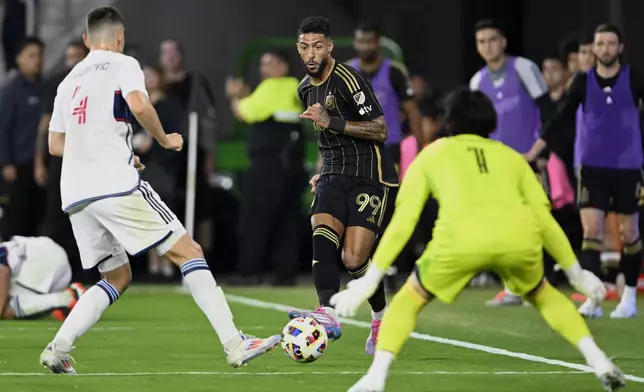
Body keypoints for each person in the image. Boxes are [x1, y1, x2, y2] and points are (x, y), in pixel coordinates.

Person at [329, 87, 626, 392]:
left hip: (460, 241)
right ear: (490, 122)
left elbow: (404, 221)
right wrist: (576, 274)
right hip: (517, 239)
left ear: (449, 121)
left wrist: (369, 281)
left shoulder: (432, 153)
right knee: (544, 294)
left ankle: (376, 378)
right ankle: (599, 360)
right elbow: (543, 220)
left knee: (410, 298)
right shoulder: (512, 158)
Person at [38, 6, 280, 375]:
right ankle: (235, 343)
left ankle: (58, 348)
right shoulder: (124, 63)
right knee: (190, 250)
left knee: (117, 276)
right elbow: (140, 104)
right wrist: (164, 139)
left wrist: (115, 151)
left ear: (87, 39)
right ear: (119, 36)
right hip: (113, 185)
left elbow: (56, 144)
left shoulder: (67, 80)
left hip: (75, 194)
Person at [289, 15, 398, 356]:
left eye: (318, 47)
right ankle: (328, 312)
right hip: (334, 172)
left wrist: (331, 120)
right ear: (298, 48)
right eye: (305, 47)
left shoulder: (350, 79)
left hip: (369, 174)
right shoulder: (304, 89)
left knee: (354, 259)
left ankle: (381, 315)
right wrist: (322, 170)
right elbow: (326, 141)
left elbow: (380, 130)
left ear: (330, 47)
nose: (311, 54)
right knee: (321, 228)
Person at [525, 24, 644, 319]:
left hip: (628, 167)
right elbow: (561, 119)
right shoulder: (582, 81)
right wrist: (533, 151)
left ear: (620, 47)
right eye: (599, 44)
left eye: (610, 44)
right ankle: (593, 297)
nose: (604, 49)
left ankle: (628, 296)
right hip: (592, 167)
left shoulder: (634, 79)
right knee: (592, 231)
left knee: (629, 232)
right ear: (593, 49)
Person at [469, 19, 551, 306]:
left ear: (503, 42)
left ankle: (535, 285)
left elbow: (549, 111)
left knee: (534, 223)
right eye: (482, 41)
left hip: (529, 161)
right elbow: (476, 127)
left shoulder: (524, 68)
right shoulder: (477, 82)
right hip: (495, 166)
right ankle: (514, 287)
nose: (488, 46)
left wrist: (537, 150)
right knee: (504, 225)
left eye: (492, 39)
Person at [225, 50, 305, 286]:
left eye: (269, 64)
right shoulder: (292, 87)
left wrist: (234, 97)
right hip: (291, 163)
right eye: (262, 64)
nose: (264, 69)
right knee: (288, 219)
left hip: (269, 164)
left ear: (283, 67)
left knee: (255, 218)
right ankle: (285, 273)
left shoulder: (277, 85)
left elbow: (245, 112)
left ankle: (249, 271)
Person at [37, 41, 88, 279]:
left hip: (89, 159)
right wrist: (39, 162)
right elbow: (44, 127)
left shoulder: (97, 85)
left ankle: (84, 272)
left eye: (77, 57)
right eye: (69, 57)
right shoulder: (58, 85)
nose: (72, 62)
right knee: (56, 217)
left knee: (86, 215)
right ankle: (53, 270)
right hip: (62, 159)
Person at [133, 64, 184, 280]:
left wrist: (153, 143)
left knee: (164, 213)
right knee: (146, 217)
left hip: (162, 167)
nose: (148, 79)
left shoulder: (169, 104)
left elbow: (173, 133)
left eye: (151, 74)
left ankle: (168, 263)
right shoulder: (135, 103)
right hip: (140, 166)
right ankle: (153, 264)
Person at [349, 23, 424, 166]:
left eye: (369, 42)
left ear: (378, 43)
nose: (365, 47)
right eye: (361, 42)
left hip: (389, 147)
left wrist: (419, 149)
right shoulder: (346, 72)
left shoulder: (395, 72)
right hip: (356, 148)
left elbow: (412, 111)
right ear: (355, 43)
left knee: (388, 188)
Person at [0, 37, 46, 239]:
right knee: (17, 222)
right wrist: (7, 163)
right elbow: (3, 129)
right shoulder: (10, 91)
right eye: (31, 55)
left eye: (39, 55)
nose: (37, 60)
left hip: (42, 165)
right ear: (19, 58)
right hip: (18, 167)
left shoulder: (46, 88)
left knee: (39, 220)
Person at [0, 236, 85, 321]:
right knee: (8, 304)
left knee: (7, 306)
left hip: (40, 260)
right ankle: (61, 305)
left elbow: (3, 270)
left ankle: (67, 297)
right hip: (52, 259)